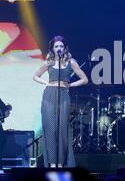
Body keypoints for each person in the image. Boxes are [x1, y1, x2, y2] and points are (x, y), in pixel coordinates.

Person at [33, 36, 88, 167]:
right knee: (50, 129)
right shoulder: (49, 62)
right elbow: (35, 76)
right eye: (56, 46)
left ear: (65, 48)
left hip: (63, 96)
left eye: (61, 46)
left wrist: (70, 85)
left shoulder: (71, 62)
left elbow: (84, 79)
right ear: (52, 48)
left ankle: (61, 163)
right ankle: (52, 163)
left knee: (62, 130)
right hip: (49, 96)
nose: (59, 48)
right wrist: (46, 82)